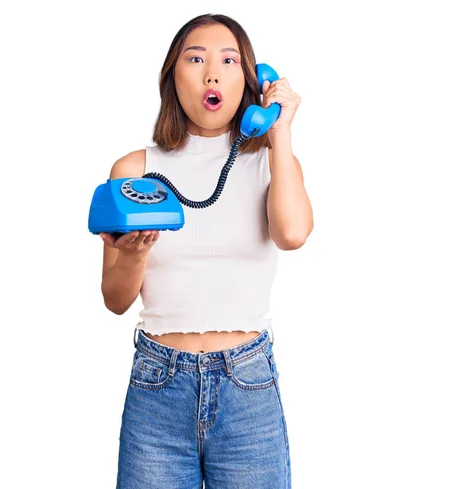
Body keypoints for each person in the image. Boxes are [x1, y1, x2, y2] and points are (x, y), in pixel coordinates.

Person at [99, 13, 313, 489]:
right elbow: (114, 299)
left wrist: (278, 132)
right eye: (195, 59)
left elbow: (293, 233)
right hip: (158, 386)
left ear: (251, 81)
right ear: (172, 76)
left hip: (247, 386)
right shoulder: (135, 170)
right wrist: (134, 254)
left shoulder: (271, 163)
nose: (211, 73)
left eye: (229, 60)